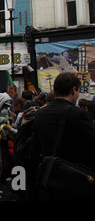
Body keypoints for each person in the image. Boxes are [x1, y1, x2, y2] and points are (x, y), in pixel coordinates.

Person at [33, 72, 95, 200]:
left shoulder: (40, 114)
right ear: (73, 90)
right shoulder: (77, 114)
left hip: (48, 177)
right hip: (74, 179)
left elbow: (35, 145)